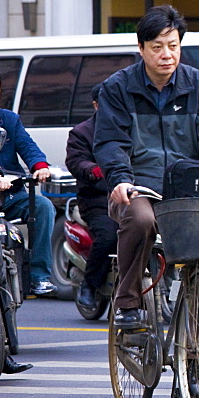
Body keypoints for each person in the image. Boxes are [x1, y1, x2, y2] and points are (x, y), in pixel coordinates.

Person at [94, 5, 199, 329]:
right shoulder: (117, 88)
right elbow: (110, 142)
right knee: (141, 220)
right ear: (141, 49)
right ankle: (127, 302)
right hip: (138, 187)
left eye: (173, 45)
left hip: (188, 191)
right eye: (157, 47)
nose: (166, 55)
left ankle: (198, 351)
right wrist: (120, 180)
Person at [0, 64, 56, 297]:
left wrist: (40, 166)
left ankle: (39, 276)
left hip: (9, 193)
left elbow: (28, 147)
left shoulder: (9, 120)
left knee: (43, 207)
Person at [65, 83, 119, 308]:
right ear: (96, 105)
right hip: (97, 200)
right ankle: (90, 284)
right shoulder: (81, 132)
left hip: (133, 196)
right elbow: (75, 161)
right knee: (108, 236)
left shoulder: (129, 129)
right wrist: (93, 169)